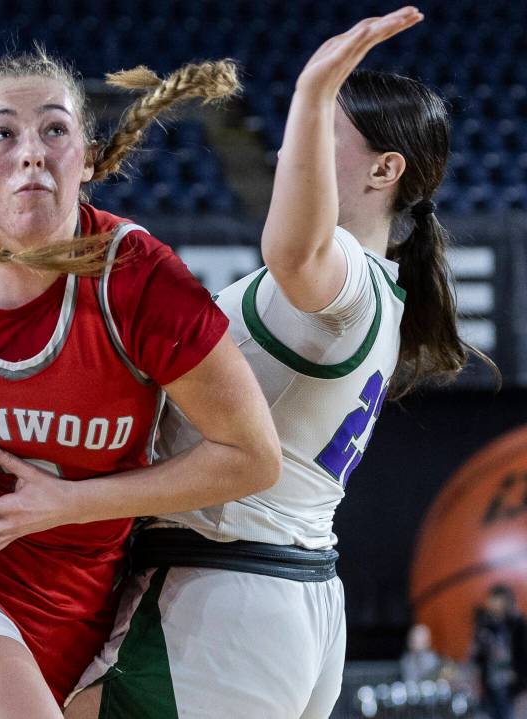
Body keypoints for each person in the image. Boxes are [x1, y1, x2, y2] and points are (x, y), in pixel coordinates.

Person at [63, 7, 497, 718]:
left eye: (324, 130)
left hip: (222, 600)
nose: (290, 150)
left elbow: (290, 251)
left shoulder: (349, 274)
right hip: (281, 598)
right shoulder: (377, 289)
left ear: (386, 169)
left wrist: (314, 85)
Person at [0, 50, 282, 719]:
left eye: (54, 129)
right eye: (3, 133)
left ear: (89, 158)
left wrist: (67, 503)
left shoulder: (141, 280)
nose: (31, 152)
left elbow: (252, 455)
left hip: (87, 600)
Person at [471, 585, 527, 719]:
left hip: (511, 681)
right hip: (490, 680)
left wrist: (519, 674)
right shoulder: (484, 624)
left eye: (495, 599)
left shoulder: (517, 623)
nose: (491, 603)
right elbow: (476, 654)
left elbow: (523, 653)